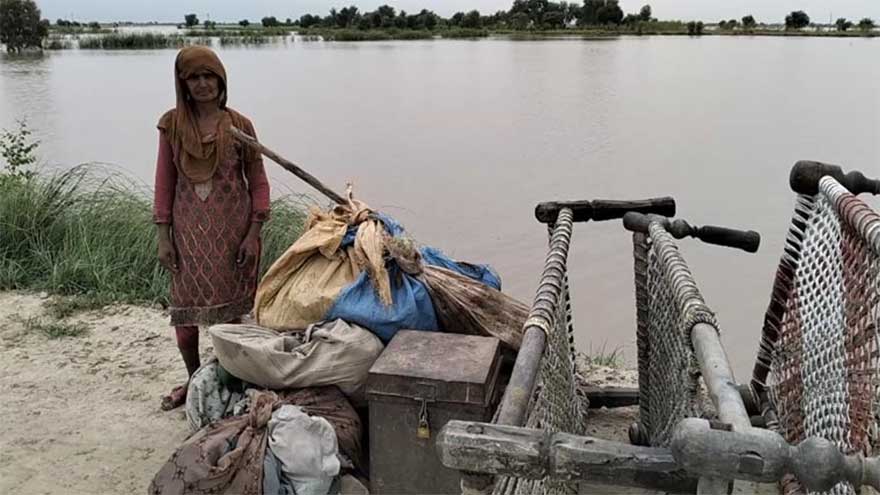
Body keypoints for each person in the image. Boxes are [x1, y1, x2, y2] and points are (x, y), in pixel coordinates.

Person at [153, 46, 270, 410]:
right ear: (183, 84)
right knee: (185, 315)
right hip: (187, 236)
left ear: (221, 81)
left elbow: (258, 181)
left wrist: (253, 233)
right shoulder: (171, 126)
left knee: (232, 317)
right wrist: (163, 235)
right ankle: (193, 381)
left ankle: (232, 381)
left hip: (233, 234)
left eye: (209, 76)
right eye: (194, 78)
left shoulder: (239, 127)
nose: (203, 84)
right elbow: (164, 183)